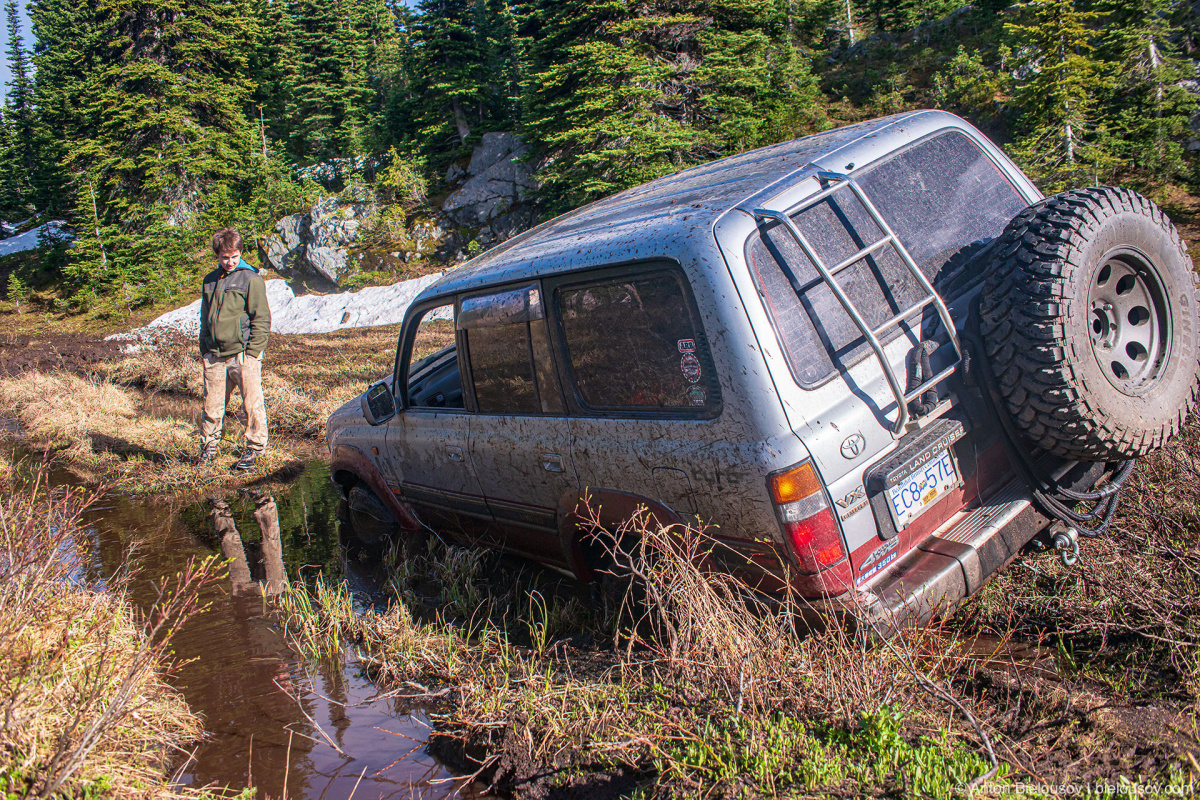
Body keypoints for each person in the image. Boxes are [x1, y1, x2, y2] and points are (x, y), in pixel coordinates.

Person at [198, 228, 271, 471]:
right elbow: (204, 319)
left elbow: (261, 318)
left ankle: (254, 448)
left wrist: (252, 353)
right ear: (218, 255)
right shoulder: (209, 280)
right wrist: (205, 350)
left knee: (252, 404)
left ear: (240, 253)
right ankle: (209, 447)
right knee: (212, 406)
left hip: (243, 355)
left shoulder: (251, 279)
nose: (229, 262)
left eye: (234, 256)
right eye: (224, 257)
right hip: (215, 356)